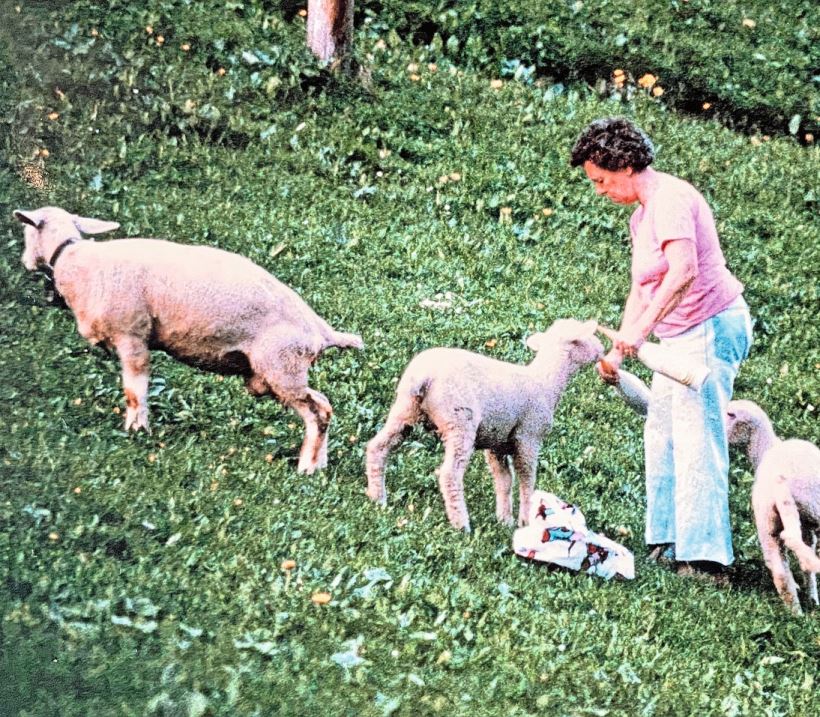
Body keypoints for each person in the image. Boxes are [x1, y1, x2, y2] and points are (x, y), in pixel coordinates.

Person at [570, 117, 753, 582]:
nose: (600, 190)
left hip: (709, 327)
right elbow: (643, 288)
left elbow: (684, 271)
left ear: (625, 165)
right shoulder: (641, 215)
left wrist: (639, 333)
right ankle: (667, 540)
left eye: (602, 179)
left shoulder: (671, 198)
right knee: (663, 431)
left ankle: (706, 559)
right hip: (676, 336)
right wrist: (620, 351)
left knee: (697, 435)